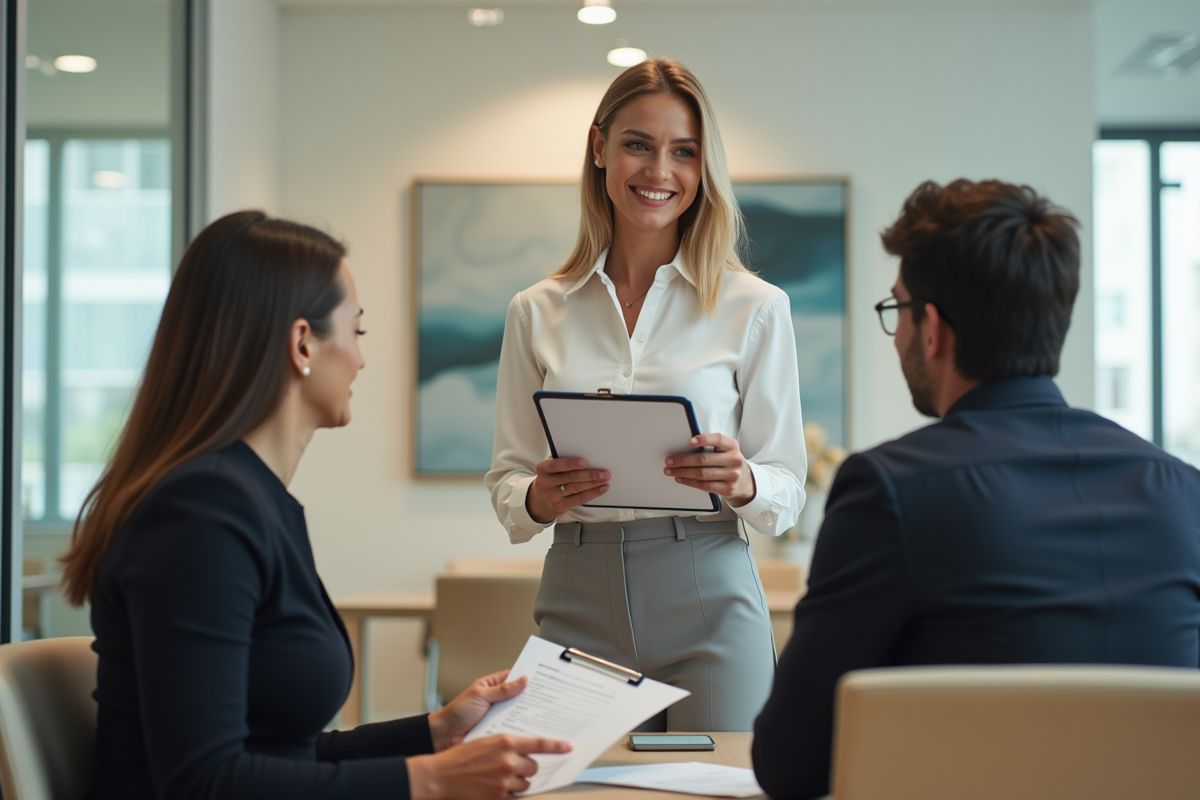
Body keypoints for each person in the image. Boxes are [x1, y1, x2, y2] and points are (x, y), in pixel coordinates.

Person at [59, 211, 570, 800]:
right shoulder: (202, 514)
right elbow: (204, 781)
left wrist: (434, 732)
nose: (361, 359)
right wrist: (426, 782)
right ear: (302, 342)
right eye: (357, 331)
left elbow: (277, 753)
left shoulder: (247, 499)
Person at [752, 179, 1200, 799]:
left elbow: (788, 763)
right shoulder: (1184, 493)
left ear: (931, 328)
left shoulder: (890, 490)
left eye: (898, 310)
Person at [486, 59, 806, 732]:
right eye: (638, 144)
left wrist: (744, 480)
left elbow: (788, 490)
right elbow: (509, 483)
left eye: (683, 152)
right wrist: (540, 496)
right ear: (599, 147)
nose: (659, 172)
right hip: (577, 587)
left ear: (702, 168)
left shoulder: (756, 307)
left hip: (708, 587)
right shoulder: (536, 310)